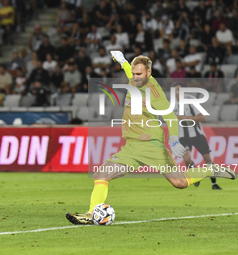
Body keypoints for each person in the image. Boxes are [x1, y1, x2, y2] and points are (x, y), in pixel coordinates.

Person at [66, 51, 236, 225]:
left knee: (180, 183)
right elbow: (128, 69)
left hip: (152, 146)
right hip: (131, 147)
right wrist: (122, 60)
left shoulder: (154, 92)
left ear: (149, 72)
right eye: (133, 73)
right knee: (101, 175)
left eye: (139, 74)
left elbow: (170, 116)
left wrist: (174, 139)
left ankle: (209, 169)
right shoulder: (133, 78)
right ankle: (90, 214)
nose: (135, 77)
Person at [172, 82, 221, 190]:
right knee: (187, 158)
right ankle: (195, 176)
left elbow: (202, 118)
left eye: (179, 90)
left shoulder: (191, 101)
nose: (177, 92)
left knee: (207, 159)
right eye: (175, 90)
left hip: (197, 135)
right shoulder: (171, 104)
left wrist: (185, 118)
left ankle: (214, 183)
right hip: (182, 136)